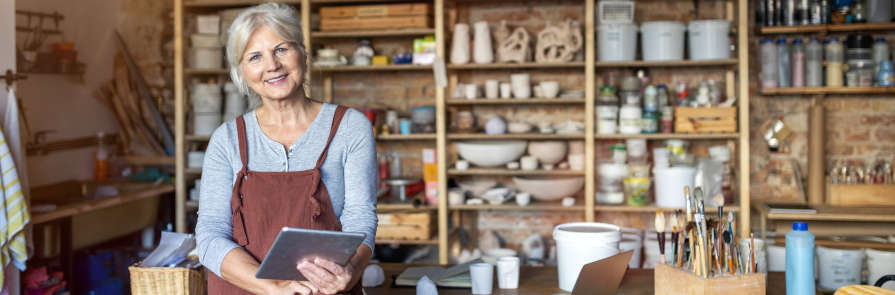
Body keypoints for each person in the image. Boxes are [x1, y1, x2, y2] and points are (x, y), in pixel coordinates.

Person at [195, 3, 377, 294]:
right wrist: (273, 287)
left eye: (281, 49)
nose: (272, 65)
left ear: (303, 54)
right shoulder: (226, 139)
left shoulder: (350, 127)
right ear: (241, 72)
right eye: (255, 57)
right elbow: (209, 236)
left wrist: (352, 269)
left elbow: (360, 217)